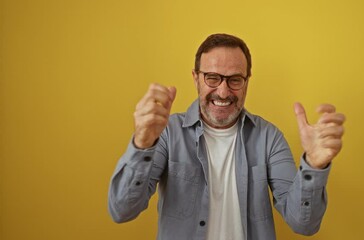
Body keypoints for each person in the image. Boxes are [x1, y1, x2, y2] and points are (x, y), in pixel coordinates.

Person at [108, 33, 346, 240]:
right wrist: (142, 144)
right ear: (195, 77)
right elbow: (121, 210)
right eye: (212, 77)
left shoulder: (269, 137)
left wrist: (315, 165)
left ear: (246, 82)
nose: (223, 91)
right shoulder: (167, 133)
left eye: (234, 80)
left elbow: (303, 224)